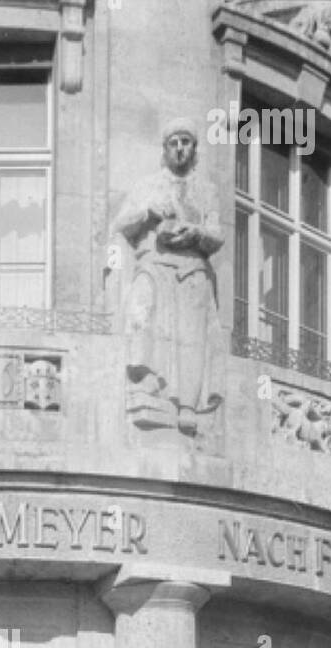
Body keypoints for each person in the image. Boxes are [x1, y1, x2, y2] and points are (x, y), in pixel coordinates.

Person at [112, 117, 225, 435]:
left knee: (192, 334)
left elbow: (217, 236)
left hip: (191, 267)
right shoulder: (147, 186)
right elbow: (122, 223)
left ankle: (187, 405)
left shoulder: (206, 191)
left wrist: (197, 231)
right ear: (165, 149)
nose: (179, 148)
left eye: (185, 142)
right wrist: (149, 211)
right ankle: (146, 385)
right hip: (154, 263)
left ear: (194, 148)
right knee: (142, 307)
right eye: (174, 143)